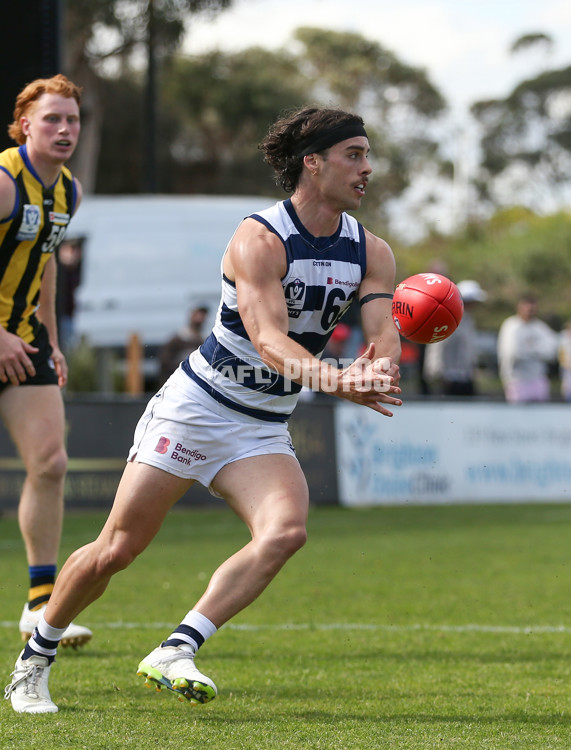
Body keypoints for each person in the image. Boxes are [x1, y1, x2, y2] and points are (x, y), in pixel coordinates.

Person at [5, 105, 402, 713]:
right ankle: (35, 657)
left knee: (286, 532)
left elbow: (381, 330)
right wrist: (335, 380)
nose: (367, 168)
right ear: (313, 163)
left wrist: (381, 362)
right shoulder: (259, 238)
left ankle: (176, 648)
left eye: (367, 155)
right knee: (118, 549)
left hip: (262, 424)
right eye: (354, 155)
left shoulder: (371, 250)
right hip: (199, 406)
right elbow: (268, 340)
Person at [0, 75, 92, 652]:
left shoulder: (69, 192)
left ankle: (39, 605)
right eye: (52, 118)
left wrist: (50, 340)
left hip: (24, 339)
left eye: (73, 120)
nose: (64, 129)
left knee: (52, 463)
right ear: (25, 124)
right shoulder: (4, 183)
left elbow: (45, 262)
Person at [424, 279, 487, 396]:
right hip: (448, 378)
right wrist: (437, 374)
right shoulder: (448, 320)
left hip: (464, 377)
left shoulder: (468, 320)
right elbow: (439, 347)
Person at [497, 293, 558, 403]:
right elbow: (512, 352)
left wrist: (530, 350)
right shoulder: (511, 326)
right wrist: (536, 350)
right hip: (517, 379)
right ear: (519, 307)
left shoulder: (541, 327)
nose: (529, 311)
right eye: (527, 308)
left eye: (532, 309)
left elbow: (551, 352)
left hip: (538, 378)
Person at [158, 304, 208, 385]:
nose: (200, 318)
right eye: (197, 314)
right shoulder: (178, 339)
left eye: (203, 315)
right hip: (177, 381)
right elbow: (164, 361)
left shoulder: (203, 340)